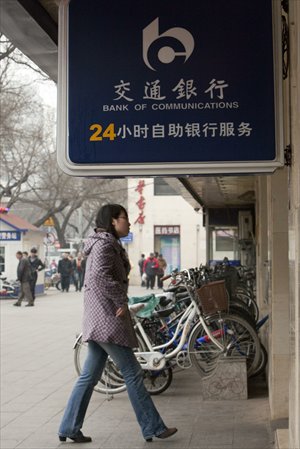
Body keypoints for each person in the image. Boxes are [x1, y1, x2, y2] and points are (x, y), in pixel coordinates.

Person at [58, 204, 177, 443]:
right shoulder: (104, 245)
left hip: (100, 316)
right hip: (107, 318)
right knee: (132, 372)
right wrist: (120, 298)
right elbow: (99, 276)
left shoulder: (105, 244)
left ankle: (69, 427)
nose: (129, 223)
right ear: (113, 221)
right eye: (125, 218)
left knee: (89, 376)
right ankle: (153, 427)